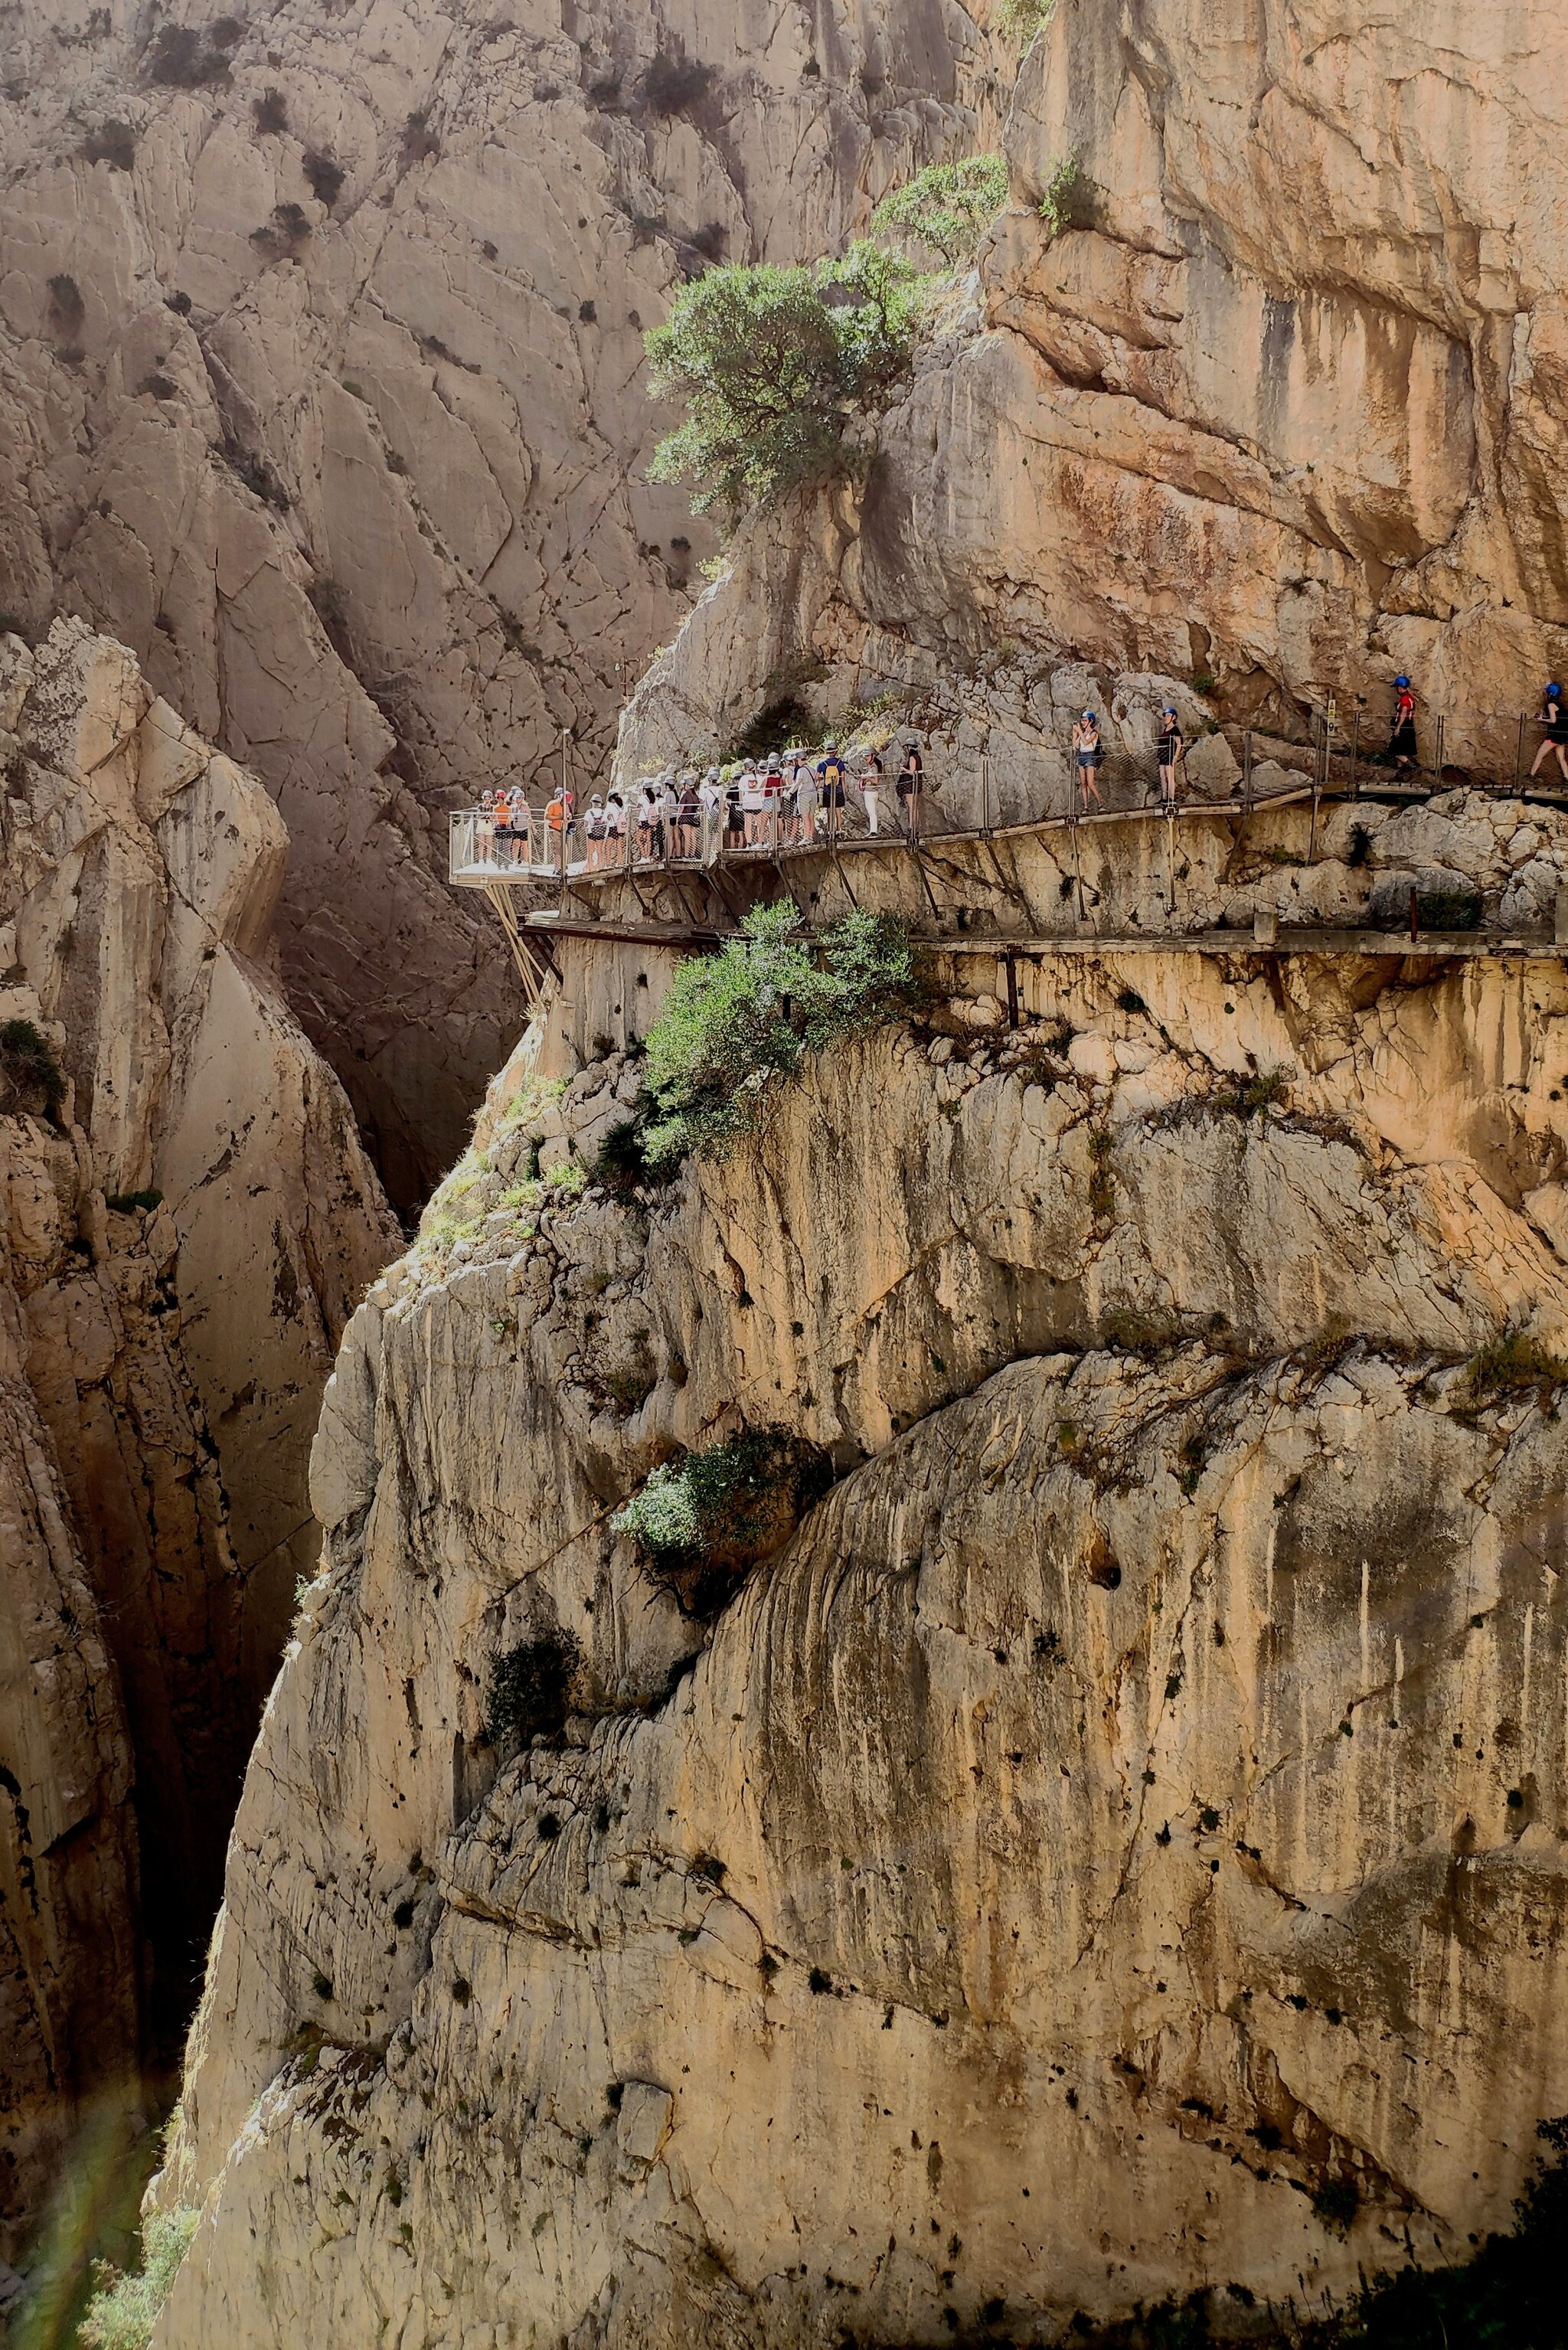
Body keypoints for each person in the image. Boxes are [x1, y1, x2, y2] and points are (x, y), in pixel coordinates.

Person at [1530, 683, 1568, 783]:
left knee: (1540, 755)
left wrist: (1541, 719)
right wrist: (1544, 718)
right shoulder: (1560, 705)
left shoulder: (1551, 705)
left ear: (1550, 694)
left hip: (1553, 737)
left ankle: (1531, 776)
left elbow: (1553, 720)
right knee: (1561, 758)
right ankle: (1567, 777)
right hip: (1561, 736)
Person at [1071, 711, 1103, 811]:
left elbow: (1086, 743)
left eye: (1085, 720)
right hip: (1081, 756)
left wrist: (1080, 732)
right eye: (1082, 720)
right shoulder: (1083, 733)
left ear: (1090, 721)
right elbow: (1075, 745)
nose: (1083, 723)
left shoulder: (1094, 733)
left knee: (1090, 782)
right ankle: (1086, 807)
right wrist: (1075, 733)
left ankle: (1100, 804)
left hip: (1090, 756)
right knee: (1083, 783)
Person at [1155, 706, 1185, 807]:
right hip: (1162, 756)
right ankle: (1164, 798)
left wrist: (1175, 758)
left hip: (1169, 756)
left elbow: (1179, 744)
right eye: (1166, 716)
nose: (1166, 718)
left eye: (1168, 716)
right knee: (1163, 777)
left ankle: (1171, 798)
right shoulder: (1166, 729)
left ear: (1174, 718)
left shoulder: (1175, 730)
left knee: (1170, 778)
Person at [817, 740, 847, 835]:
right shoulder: (840, 763)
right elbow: (843, 778)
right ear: (836, 751)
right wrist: (844, 792)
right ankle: (839, 830)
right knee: (838, 811)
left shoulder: (822, 764)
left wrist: (824, 777)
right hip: (838, 790)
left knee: (829, 811)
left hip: (827, 790)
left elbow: (816, 777)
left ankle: (830, 831)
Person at [1389, 675, 1417, 771]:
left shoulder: (1405, 699)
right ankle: (1400, 770)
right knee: (1401, 749)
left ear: (1400, 688)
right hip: (1408, 725)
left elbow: (1404, 713)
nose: (1397, 690)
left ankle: (1412, 766)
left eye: (1397, 688)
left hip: (1404, 725)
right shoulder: (1410, 698)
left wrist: (1398, 728)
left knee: (1394, 750)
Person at [897, 740, 923, 835]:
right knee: (915, 807)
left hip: (910, 785)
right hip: (916, 784)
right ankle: (915, 827)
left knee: (911, 807)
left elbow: (912, 772)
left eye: (905, 748)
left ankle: (912, 828)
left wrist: (903, 769)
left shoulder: (912, 758)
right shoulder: (918, 757)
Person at [795, 753, 820, 845]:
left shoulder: (801, 771)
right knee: (811, 817)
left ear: (798, 760)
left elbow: (798, 783)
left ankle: (807, 837)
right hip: (813, 793)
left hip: (804, 794)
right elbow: (820, 779)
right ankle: (811, 837)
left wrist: (790, 792)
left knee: (805, 817)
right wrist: (816, 788)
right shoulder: (812, 769)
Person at [740, 761, 766, 845]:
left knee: (748, 824)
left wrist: (741, 803)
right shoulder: (759, 777)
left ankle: (749, 843)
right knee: (760, 823)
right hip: (758, 802)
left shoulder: (743, 778)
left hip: (747, 803)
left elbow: (741, 792)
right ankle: (761, 842)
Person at [860, 745, 884, 835]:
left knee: (872, 812)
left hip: (870, 792)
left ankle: (873, 831)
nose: (866, 758)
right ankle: (873, 831)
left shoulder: (874, 767)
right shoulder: (872, 766)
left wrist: (866, 777)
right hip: (872, 792)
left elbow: (875, 781)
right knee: (872, 812)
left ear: (873, 756)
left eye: (868, 756)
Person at [675, 771, 700, 857]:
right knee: (693, 836)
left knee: (687, 837)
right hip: (693, 818)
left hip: (685, 818)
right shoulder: (695, 795)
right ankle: (692, 854)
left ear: (687, 785)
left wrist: (677, 819)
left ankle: (686, 854)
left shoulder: (685, 794)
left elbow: (681, 808)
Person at [583, 793, 606, 870]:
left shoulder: (589, 812)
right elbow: (605, 822)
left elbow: (585, 824)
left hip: (591, 834)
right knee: (599, 851)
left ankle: (590, 868)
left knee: (590, 852)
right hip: (600, 834)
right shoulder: (603, 812)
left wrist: (585, 830)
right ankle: (600, 867)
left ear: (593, 802)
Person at [606, 789, 628, 864]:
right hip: (621, 827)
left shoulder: (611, 806)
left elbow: (608, 818)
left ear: (611, 799)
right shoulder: (622, 805)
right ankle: (620, 862)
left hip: (614, 827)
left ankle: (608, 864)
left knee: (608, 846)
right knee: (619, 846)